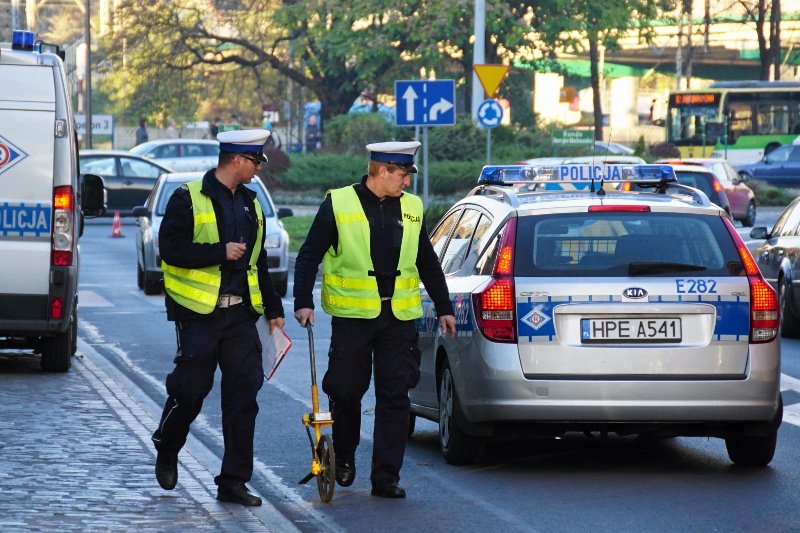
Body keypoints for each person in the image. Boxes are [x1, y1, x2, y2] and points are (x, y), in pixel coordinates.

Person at [293, 141, 456, 499]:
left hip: (398, 318)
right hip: (353, 317)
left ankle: (386, 477)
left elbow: (426, 261)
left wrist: (444, 306)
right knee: (346, 391)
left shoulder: (412, 207)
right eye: (402, 175)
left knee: (395, 395)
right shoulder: (338, 203)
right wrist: (302, 301)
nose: (406, 182)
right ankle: (345, 454)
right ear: (382, 171)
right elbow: (308, 255)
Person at [152, 129, 285, 507]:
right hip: (199, 314)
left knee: (243, 398)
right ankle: (168, 444)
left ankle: (233, 482)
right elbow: (170, 250)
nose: (259, 168)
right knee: (190, 390)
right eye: (255, 161)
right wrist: (219, 252)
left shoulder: (251, 203)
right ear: (237, 160)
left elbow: (258, 261)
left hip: (241, 315)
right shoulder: (187, 198)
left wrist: (274, 310)